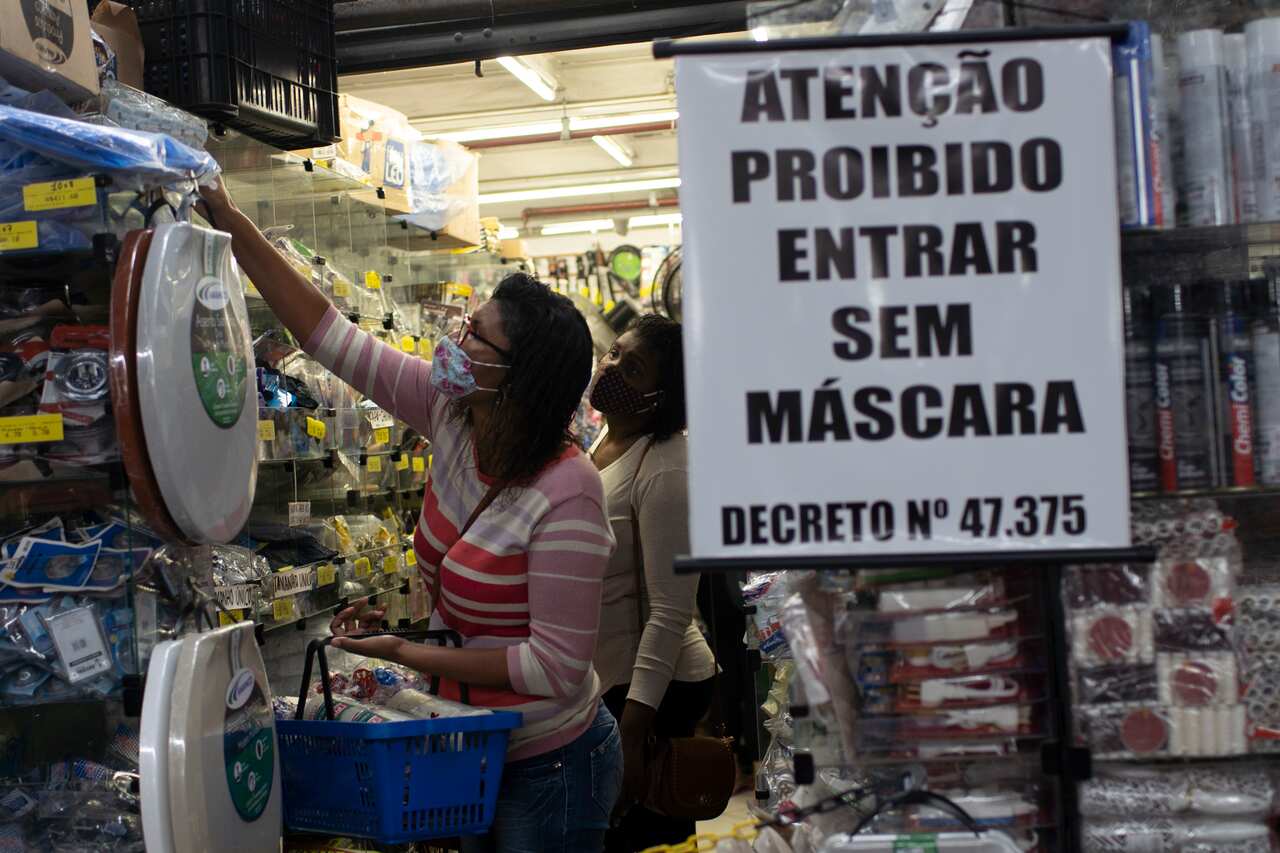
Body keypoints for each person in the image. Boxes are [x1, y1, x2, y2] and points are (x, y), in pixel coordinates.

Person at [199, 180, 622, 853]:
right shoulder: (454, 415)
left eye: (475, 333)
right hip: (467, 748)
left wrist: (406, 652)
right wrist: (228, 219)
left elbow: (555, 667)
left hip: (550, 764)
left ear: (516, 377)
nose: (455, 338)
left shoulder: (568, 490)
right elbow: (327, 334)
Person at [588, 315, 717, 851]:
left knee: (643, 835)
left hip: (653, 689)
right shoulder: (607, 436)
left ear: (662, 397)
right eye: (615, 354)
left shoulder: (666, 467)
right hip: (613, 678)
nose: (612, 367)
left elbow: (669, 611)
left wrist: (635, 729)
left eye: (632, 368)